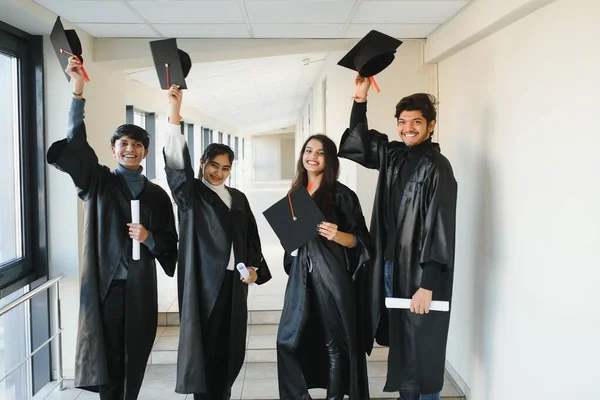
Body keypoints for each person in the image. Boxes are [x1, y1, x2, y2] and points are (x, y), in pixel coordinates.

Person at [47, 57, 178, 400]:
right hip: (107, 286)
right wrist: (78, 92)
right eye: (123, 144)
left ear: (145, 152)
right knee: (107, 361)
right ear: (113, 150)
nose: (130, 149)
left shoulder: (157, 195)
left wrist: (149, 237)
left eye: (137, 145)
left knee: (135, 355)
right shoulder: (99, 183)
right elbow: (76, 141)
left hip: (139, 288)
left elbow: (170, 242)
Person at [338, 76, 458, 400]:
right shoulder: (393, 155)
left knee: (422, 350)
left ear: (431, 125)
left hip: (420, 274)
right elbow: (358, 142)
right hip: (391, 267)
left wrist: (428, 284)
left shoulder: (438, 168)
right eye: (403, 121)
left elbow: (441, 229)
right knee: (405, 348)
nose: (408, 127)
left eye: (416, 121)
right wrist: (359, 98)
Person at [163, 85, 272, 400]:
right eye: (213, 165)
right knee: (205, 342)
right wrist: (174, 116)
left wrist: (253, 268)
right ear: (201, 163)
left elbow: (251, 236)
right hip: (204, 281)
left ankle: (222, 393)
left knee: (230, 342)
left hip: (234, 281)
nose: (219, 172)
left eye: (225, 168)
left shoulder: (237, 197)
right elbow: (175, 167)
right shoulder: (191, 194)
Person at [276, 134, 372, 400]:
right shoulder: (295, 194)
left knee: (334, 344)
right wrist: (292, 242)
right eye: (309, 151)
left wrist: (336, 235)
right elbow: (290, 250)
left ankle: (334, 397)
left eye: (320, 153)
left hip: (331, 278)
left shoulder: (342, 195)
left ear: (329, 160)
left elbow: (361, 241)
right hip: (301, 278)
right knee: (287, 340)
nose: (313, 157)